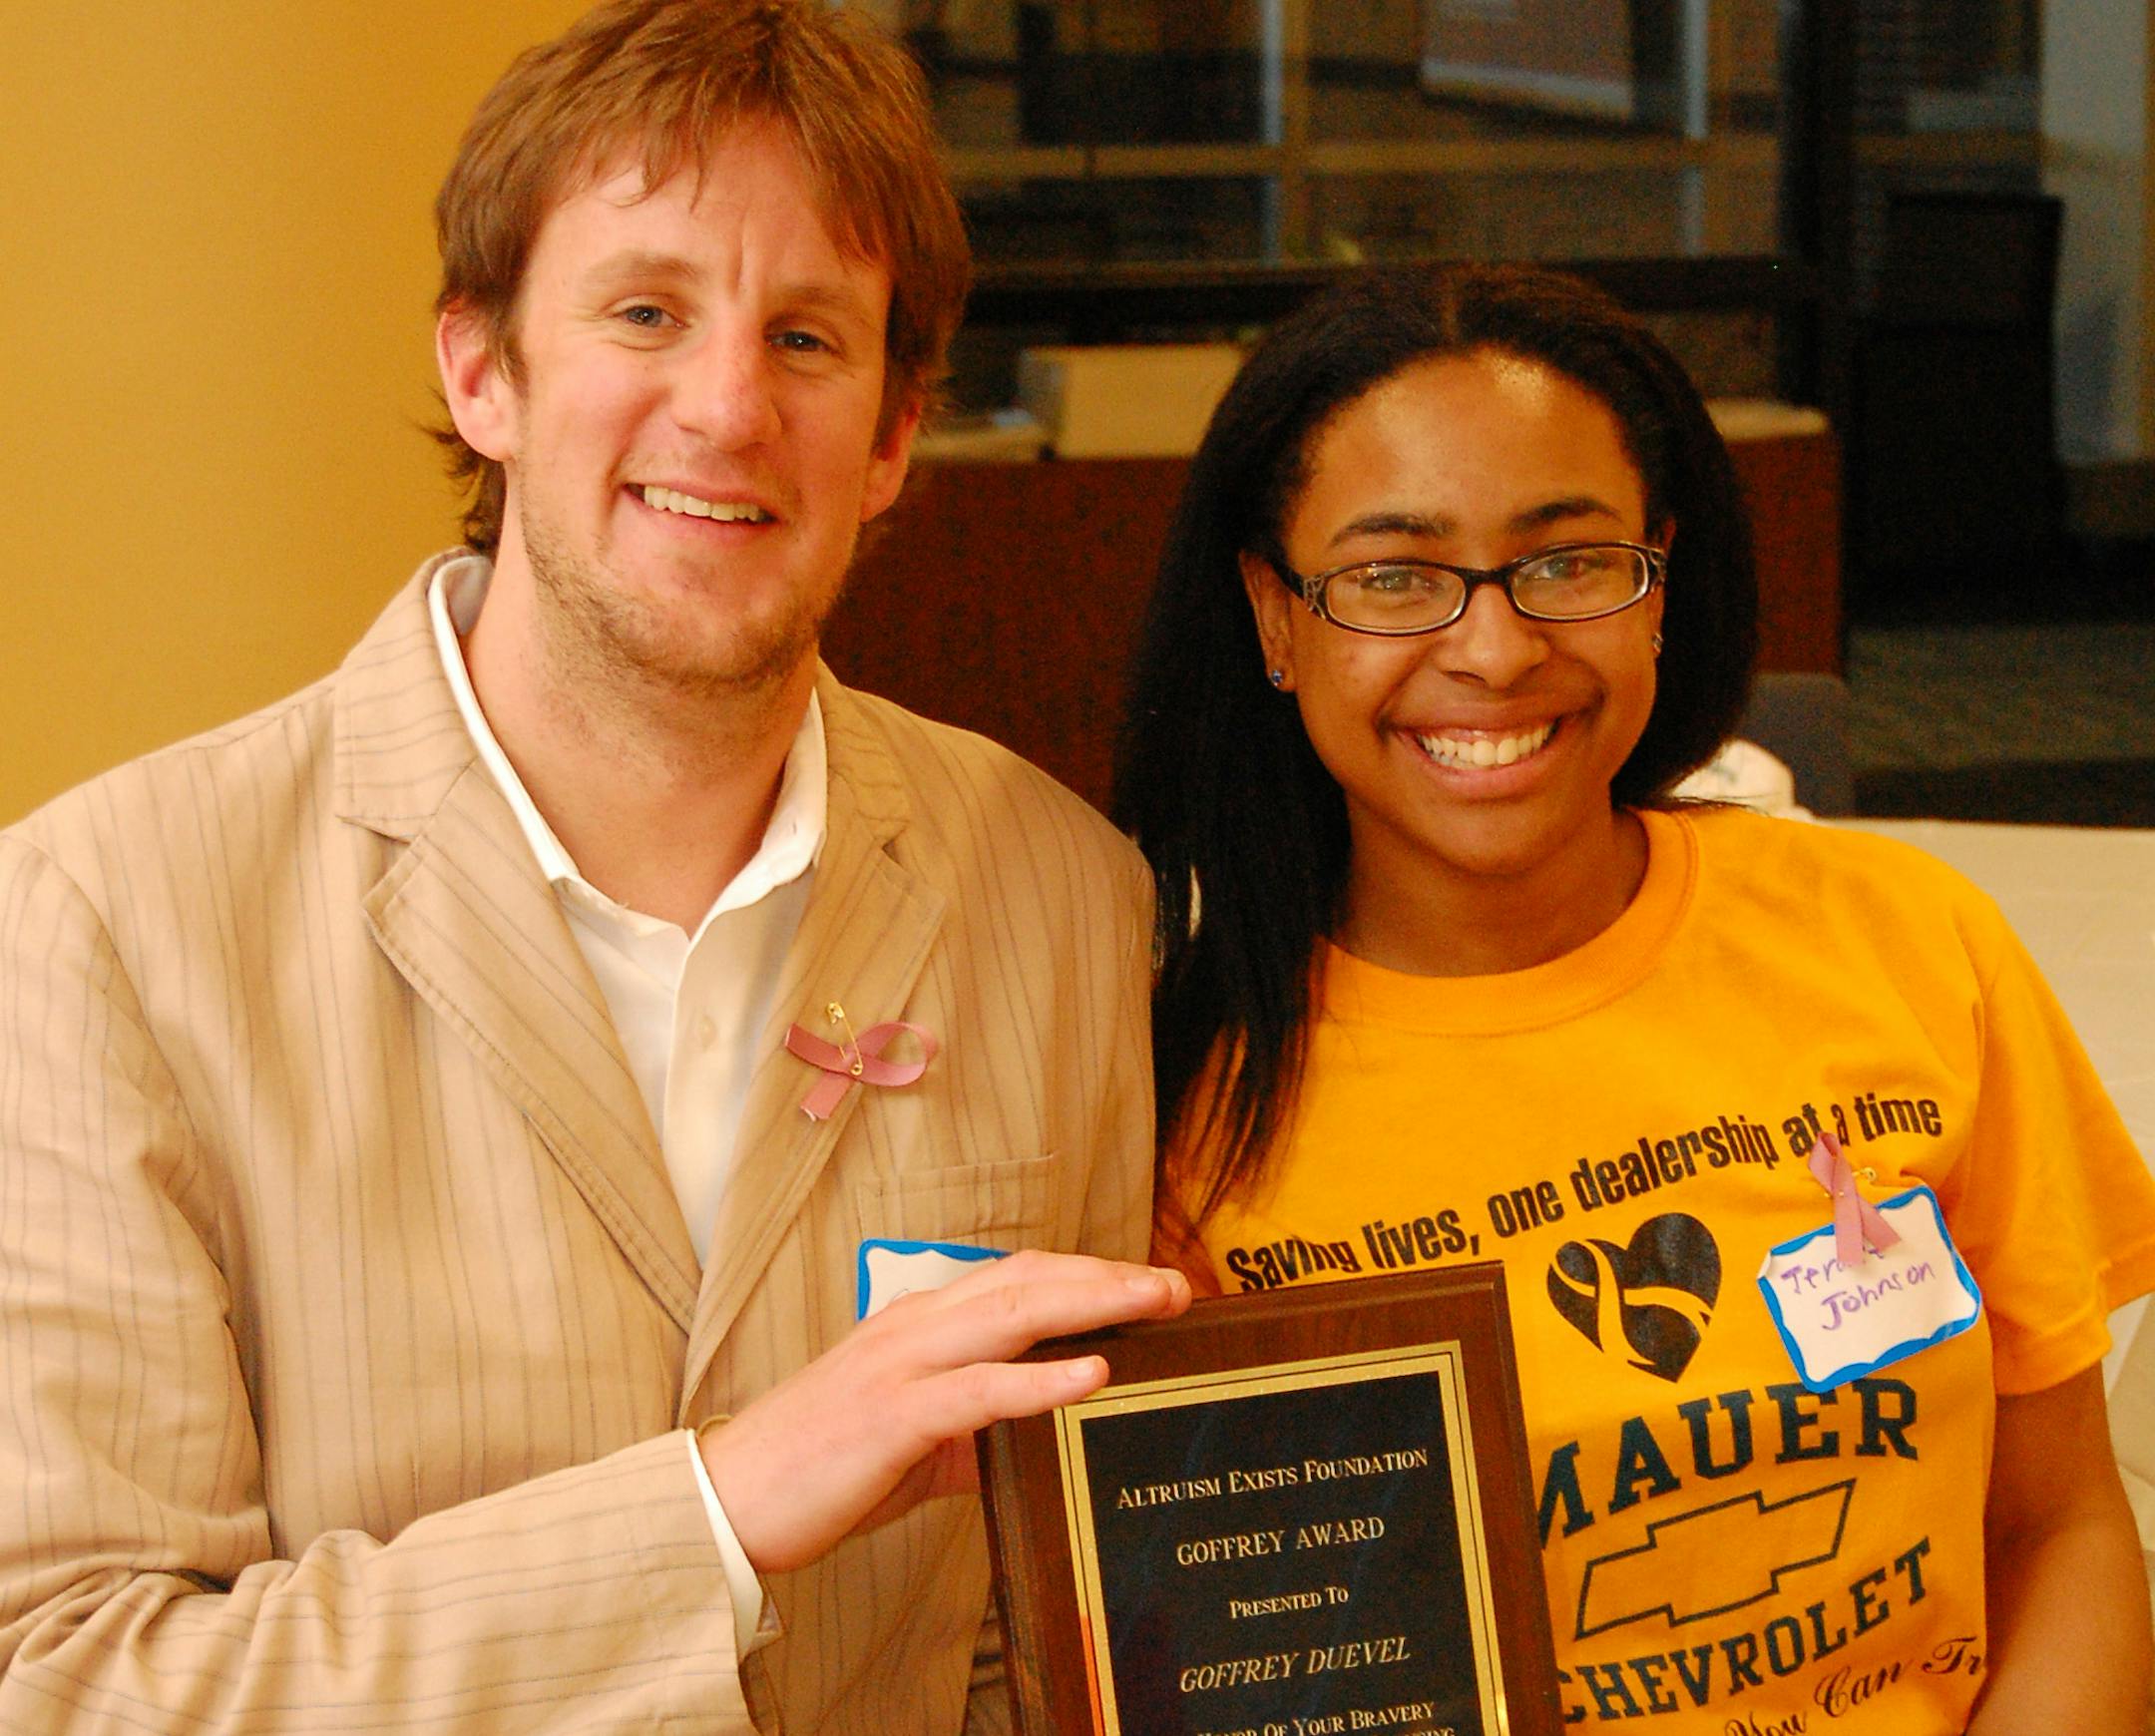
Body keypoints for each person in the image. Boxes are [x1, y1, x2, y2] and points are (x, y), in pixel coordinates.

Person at [0, 2, 1189, 1729]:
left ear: (894, 438)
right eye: (645, 311)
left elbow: (1042, 1632)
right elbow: (74, 1678)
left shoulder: (1066, 896)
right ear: (483, 371)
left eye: (807, 337)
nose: (725, 406)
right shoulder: (103, 920)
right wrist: (715, 1511)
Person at [1114, 262, 2155, 1733]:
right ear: (1276, 621)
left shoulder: (1906, 940)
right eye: (1395, 576)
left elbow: (2060, 1529)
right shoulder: (1175, 1105)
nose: (1494, 645)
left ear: (1658, 576)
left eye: (1569, 560)